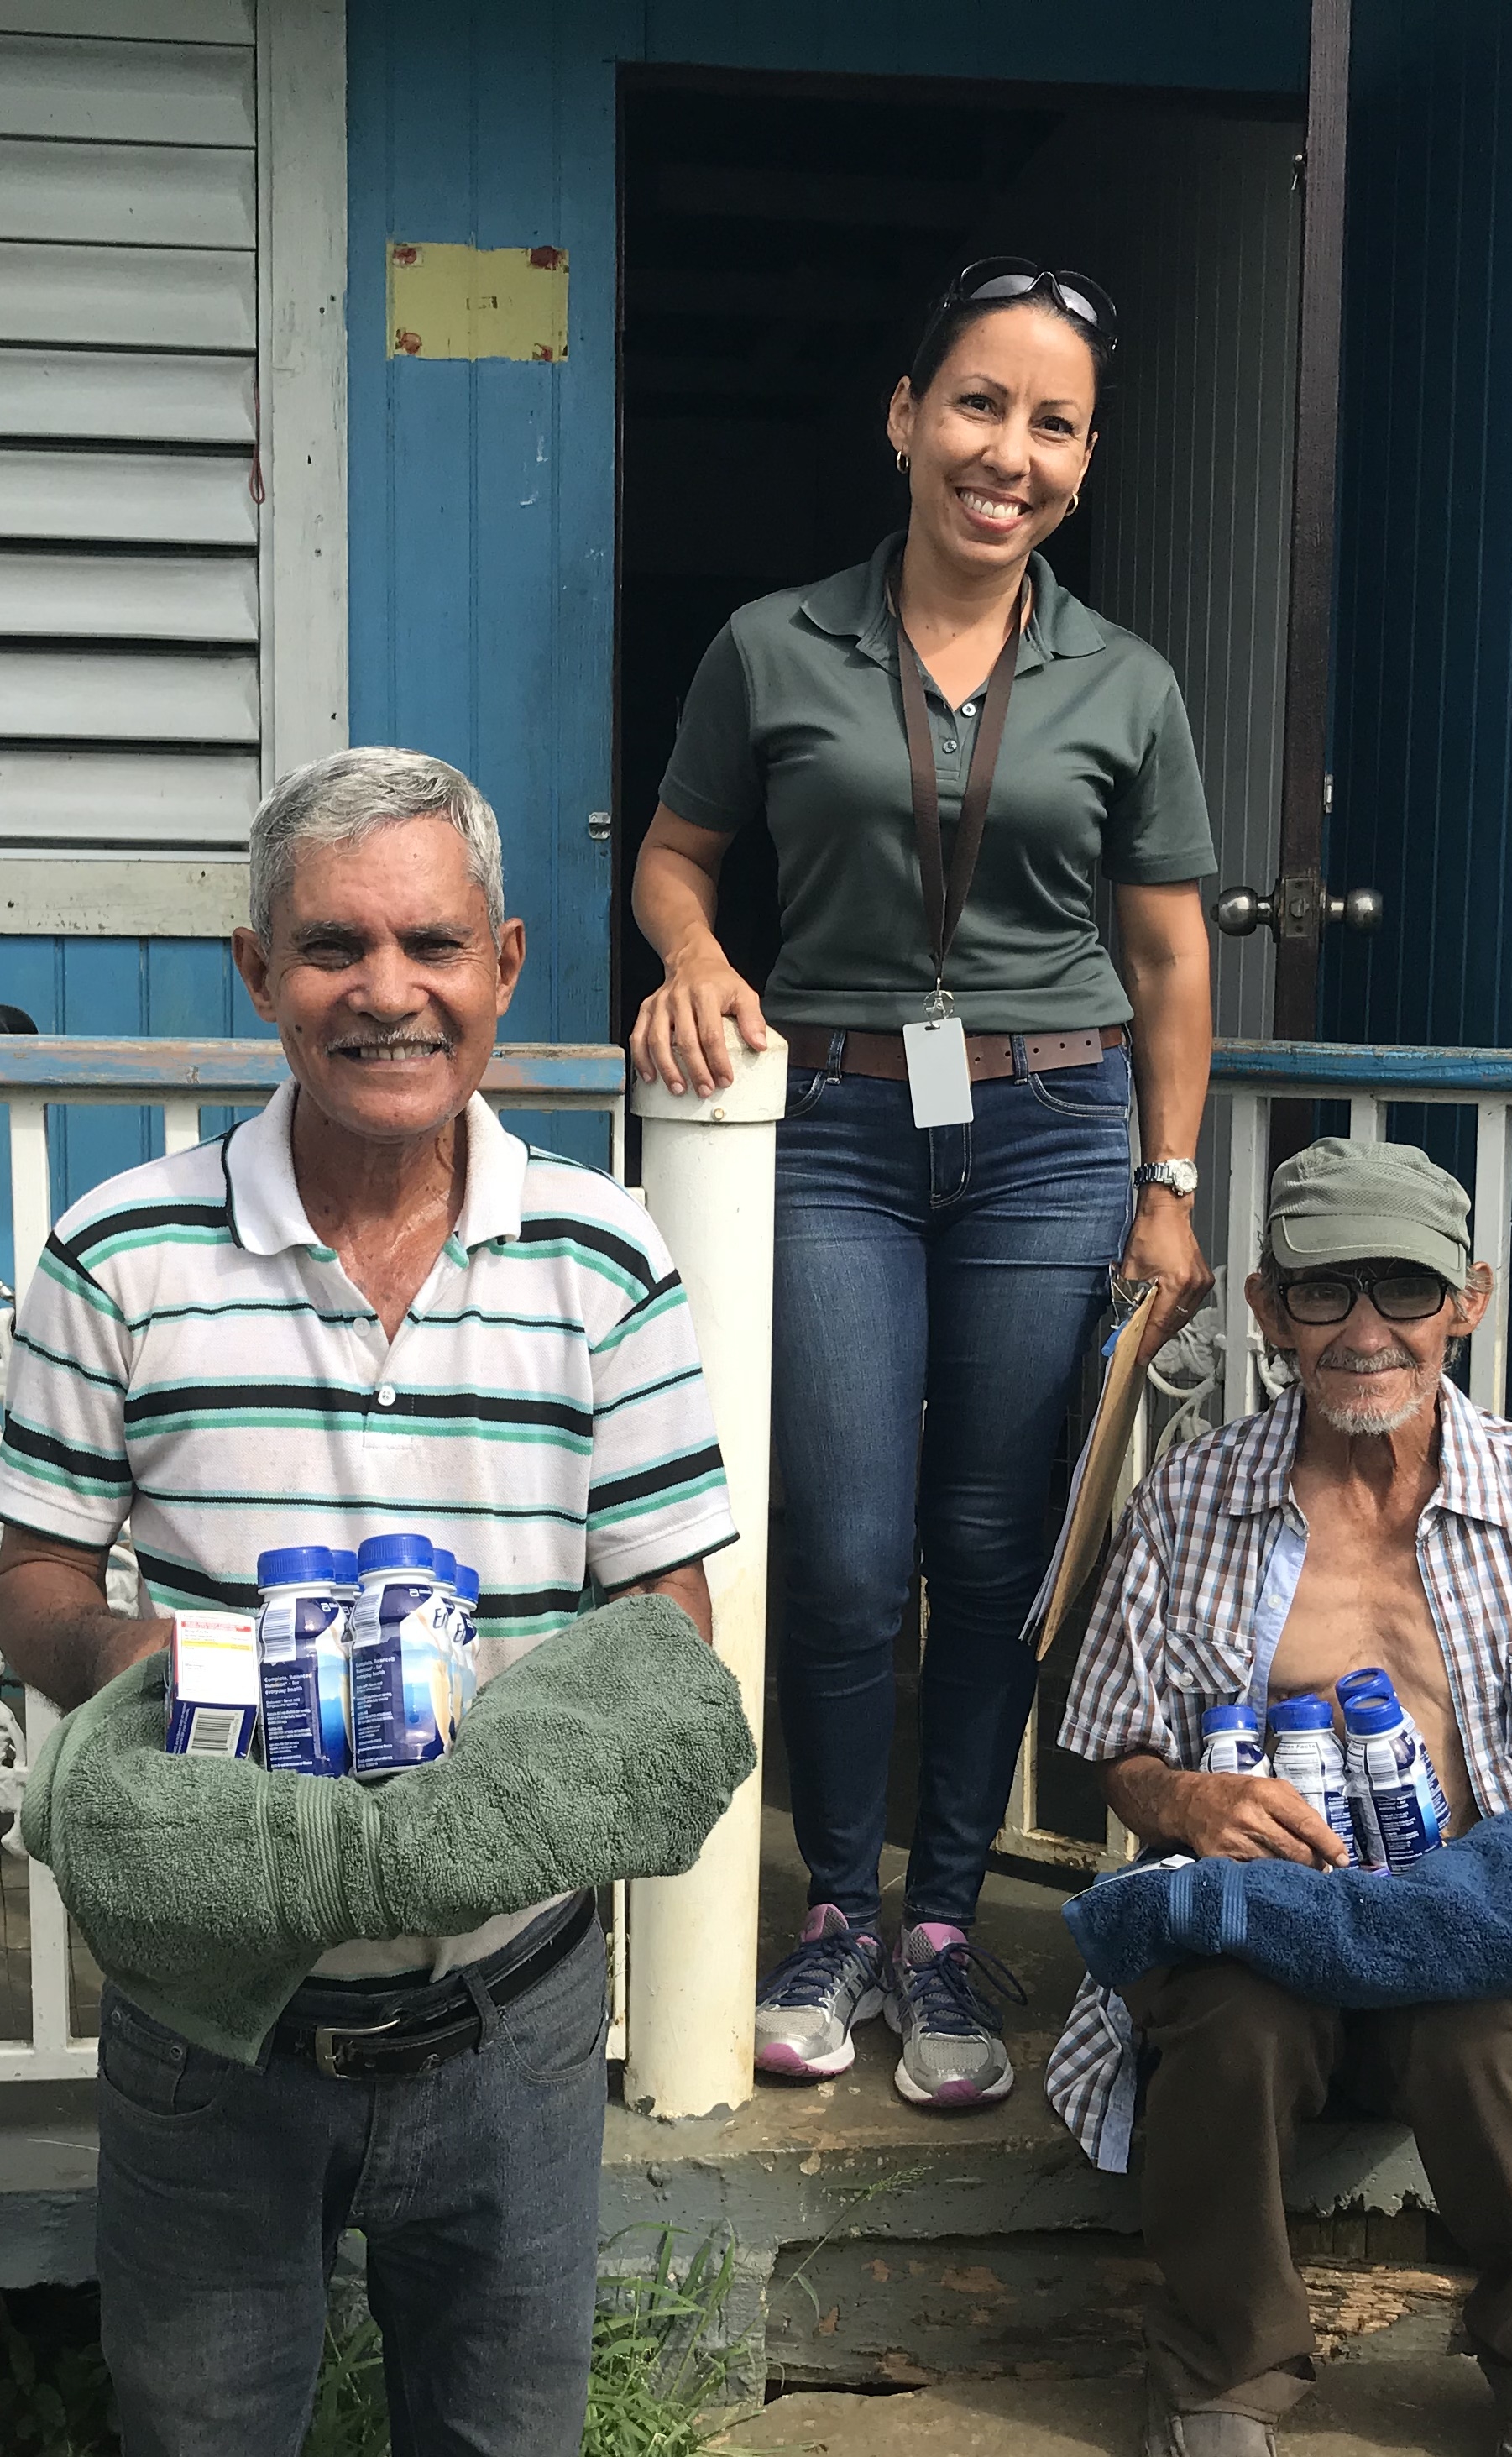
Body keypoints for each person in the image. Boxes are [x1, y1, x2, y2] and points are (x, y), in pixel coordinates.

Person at [0, 747, 740, 2457]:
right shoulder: (121, 1254)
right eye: (333, 948)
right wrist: (157, 1677)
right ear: (258, 974)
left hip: (516, 2008)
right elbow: (30, 1582)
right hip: (211, 2018)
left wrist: (503, 1787)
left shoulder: (603, 1256)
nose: (386, 992)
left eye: (432, 945)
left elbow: (671, 1622)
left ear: (504, 963)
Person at [626, 258, 1222, 2112]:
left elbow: (1175, 963)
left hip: (1056, 1132)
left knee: (988, 1552)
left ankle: (948, 1928)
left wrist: (1173, 1182)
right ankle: (834, 1911)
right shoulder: (773, 644)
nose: (1009, 453)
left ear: (1084, 459)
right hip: (839, 1132)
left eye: (1053, 425)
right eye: (979, 405)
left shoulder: (1121, 678)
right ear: (903, 417)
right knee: (842, 1539)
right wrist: (698, 960)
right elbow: (671, 857)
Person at [1045, 1138, 1512, 2457]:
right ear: (1268, 1310)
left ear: (1472, 1301)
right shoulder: (1190, 1499)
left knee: (1479, 2042)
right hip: (1267, 1933)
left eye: (1407, 1289)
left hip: (1468, 1929)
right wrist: (1189, 1805)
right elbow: (1111, 1737)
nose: (1367, 1331)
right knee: (1233, 2022)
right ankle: (1222, 2366)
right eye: (1327, 1293)